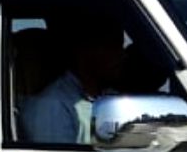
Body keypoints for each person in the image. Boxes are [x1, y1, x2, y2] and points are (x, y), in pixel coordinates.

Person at [17, 17, 127, 145]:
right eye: (112, 47)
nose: (122, 55)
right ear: (84, 50)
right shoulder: (53, 105)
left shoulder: (111, 96)